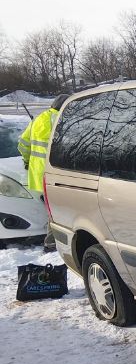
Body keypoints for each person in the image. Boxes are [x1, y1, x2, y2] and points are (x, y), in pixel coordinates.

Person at [17, 93, 69, 251]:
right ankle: (51, 242)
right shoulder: (63, 119)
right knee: (58, 209)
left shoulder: (38, 119)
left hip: (38, 174)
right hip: (56, 172)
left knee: (53, 207)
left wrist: (27, 161)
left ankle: (53, 240)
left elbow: (23, 144)